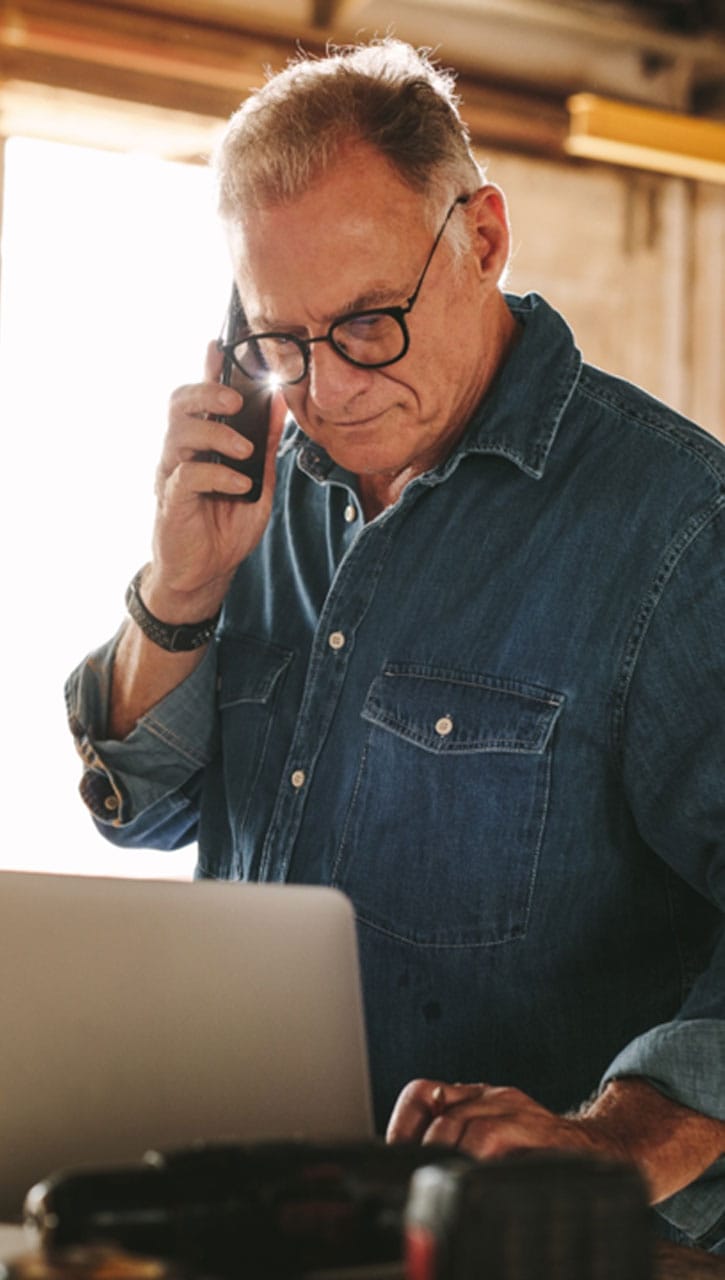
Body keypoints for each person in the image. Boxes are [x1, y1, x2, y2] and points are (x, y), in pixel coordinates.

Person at [66, 38, 724, 1252]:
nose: (326, 389)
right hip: (266, 1220)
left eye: (367, 322)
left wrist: (615, 1140)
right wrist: (180, 589)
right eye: (278, 340)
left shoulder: (678, 530)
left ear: (482, 237)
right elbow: (139, 808)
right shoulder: (256, 485)